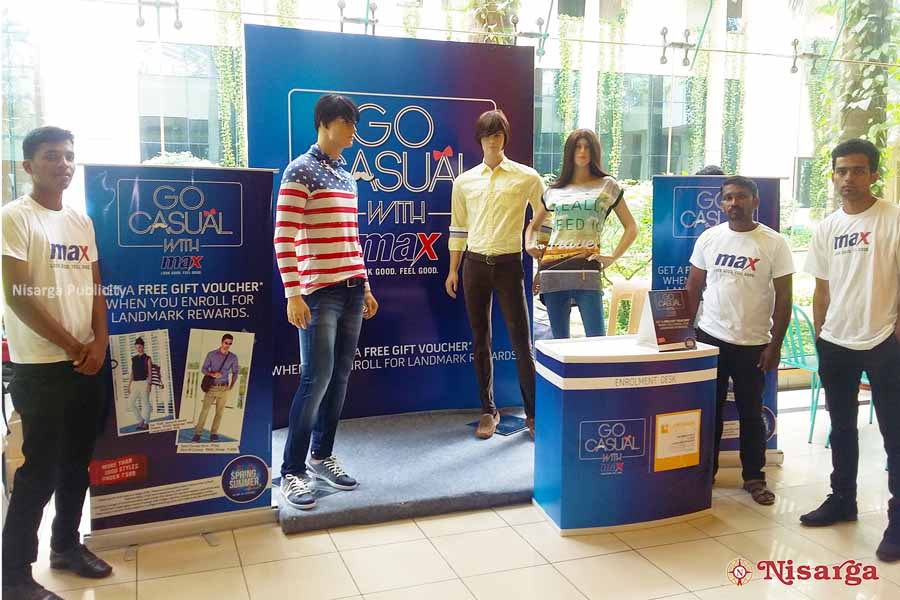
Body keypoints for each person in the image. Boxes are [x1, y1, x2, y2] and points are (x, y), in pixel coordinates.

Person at [2, 126, 113, 600]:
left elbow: (95, 288)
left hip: (87, 362)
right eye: (52, 156)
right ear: (29, 166)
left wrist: (99, 342)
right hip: (41, 365)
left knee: (77, 464)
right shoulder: (15, 217)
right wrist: (73, 345)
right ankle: (13, 576)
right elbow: (18, 295)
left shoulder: (80, 221)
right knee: (39, 471)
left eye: (68, 156)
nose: (63, 164)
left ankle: (66, 546)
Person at [275, 94, 379, 510]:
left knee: (339, 378)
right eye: (346, 122)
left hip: (352, 289)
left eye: (354, 123)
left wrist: (365, 286)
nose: (353, 131)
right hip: (318, 293)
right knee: (315, 379)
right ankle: (292, 470)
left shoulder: (346, 176)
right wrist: (293, 292)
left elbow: (352, 238)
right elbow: (283, 237)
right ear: (324, 124)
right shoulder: (300, 170)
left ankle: (321, 455)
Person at [800, 139, 900, 562]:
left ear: (874, 174)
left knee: (895, 432)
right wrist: (821, 334)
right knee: (841, 428)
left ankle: (898, 519)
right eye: (842, 171)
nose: (848, 178)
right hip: (836, 342)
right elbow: (821, 288)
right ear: (833, 176)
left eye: (858, 170)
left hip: (884, 340)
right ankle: (842, 499)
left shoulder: (892, 219)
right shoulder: (827, 227)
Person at [685, 175, 793, 506]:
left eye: (742, 196)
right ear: (721, 203)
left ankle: (754, 478)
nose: (734, 203)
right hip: (711, 339)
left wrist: (775, 345)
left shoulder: (774, 243)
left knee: (751, 415)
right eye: (729, 197)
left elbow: (785, 298)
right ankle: (706, 475)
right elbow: (693, 287)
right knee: (710, 411)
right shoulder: (709, 238)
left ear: (755, 201)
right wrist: (685, 333)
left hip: (754, 344)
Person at [446, 109, 544, 439]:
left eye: (498, 134)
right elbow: (458, 227)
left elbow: (545, 215)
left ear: (505, 138)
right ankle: (488, 411)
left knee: (521, 342)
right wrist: (453, 269)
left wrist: (534, 243)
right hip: (474, 265)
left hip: (509, 265)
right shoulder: (464, 182)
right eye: (488, 135)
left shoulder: (527, 177)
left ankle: (533, 413)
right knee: (480, 341)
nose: (493, 140)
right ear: (480, 139)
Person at [525, 129, 637, 338]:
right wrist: (530, 245)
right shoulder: (554, 190)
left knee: (596, 340)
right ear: (570, 151)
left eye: (587, 147)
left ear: (595, 151)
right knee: (559, 343)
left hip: (587, 269)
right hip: (553, 270)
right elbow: (533, 226)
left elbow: (631, 227)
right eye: (578, 146)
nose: (583, 151)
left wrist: (612, 257)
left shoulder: (607, 185)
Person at [192, 334, 239, 442]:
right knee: (204, 411)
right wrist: (212, 374)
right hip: (211, 387)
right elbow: (203, 369)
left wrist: (231, 386)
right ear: (222, 342)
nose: (227, 345)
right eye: (226, 343)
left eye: (230, 343)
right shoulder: (211, 354)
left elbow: (235, 372)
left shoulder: (233, 357)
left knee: (219, 412)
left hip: (224, 388)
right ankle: (198, 433)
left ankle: (213, 433)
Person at [128, 337, 153, 430]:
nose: (138, 349)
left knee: (145, 403)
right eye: (136, 347)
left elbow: (150, 372)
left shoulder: (147, 358)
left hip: (144, 383)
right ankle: (141, 420)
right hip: (135, 384)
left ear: (143, 347)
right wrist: (129, 385)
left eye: (140, 347)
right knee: (131, 403)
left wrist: (149, 385)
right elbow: (132, 372)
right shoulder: (134, 359)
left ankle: (146, 423)